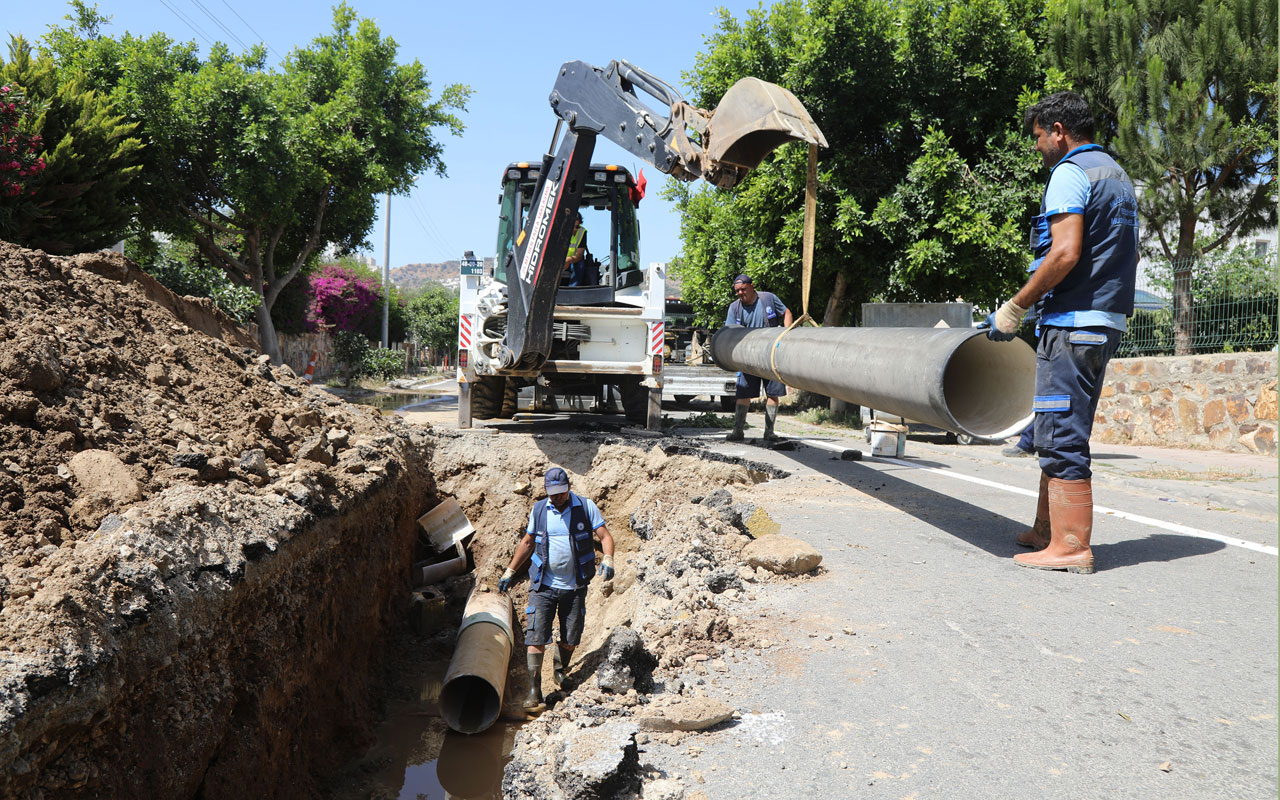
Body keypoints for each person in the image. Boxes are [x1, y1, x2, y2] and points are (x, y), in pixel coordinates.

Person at [984, 91, 1139, 574]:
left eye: (1037, 137)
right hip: (1105, 321)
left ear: (1058, 130)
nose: (1037, 148)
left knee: (1060, 433)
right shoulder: (1117, 175)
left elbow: (1065, 252)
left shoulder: (1070, 173)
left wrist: (1016, 307)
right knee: (1058, 428)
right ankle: (1046, 530)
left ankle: (1070, 547)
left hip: (1072, 323)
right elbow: (1124, 255)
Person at [498, 466, 615, 712]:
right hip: (544, 585)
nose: (557, 497)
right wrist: (510, 570)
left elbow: (605, 536)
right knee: (536, 635)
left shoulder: (584, 507)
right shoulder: (540, 510)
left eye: (561, 493)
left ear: (569, 488)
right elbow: (528, 542)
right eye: (552, 493)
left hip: (574, 586)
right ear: (546, 491)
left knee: (571, 636)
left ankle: (560, 672)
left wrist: (608, 558)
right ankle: (534, 690)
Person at [724, 274, 793, 441]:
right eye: (737, 291)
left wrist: (787, 335)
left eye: (743, 289)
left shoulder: (768, 298)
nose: (740, 293)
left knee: (772, 393)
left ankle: (769, 432)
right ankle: (738, 431)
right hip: (747, 358)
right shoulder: (735, 308)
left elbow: (786, 312)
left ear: (752, 286)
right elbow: (729, 331)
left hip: (770, 356)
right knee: (743, 394)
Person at [562, 212, 587, 287]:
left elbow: (579, 255)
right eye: (572, 226)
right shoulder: (560, 231)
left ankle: (573, 289)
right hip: (559, 261)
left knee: (580, 265)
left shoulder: (582, 232)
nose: (574, 229)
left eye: (577, 226)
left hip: (572, 262)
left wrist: (567, 260)